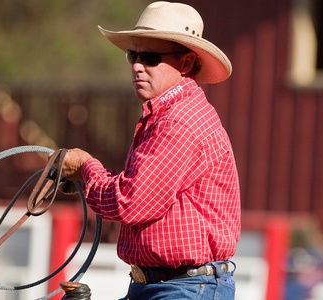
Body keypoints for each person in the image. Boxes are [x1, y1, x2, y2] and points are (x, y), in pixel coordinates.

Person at [57, 2, 241, 299]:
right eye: (133, 55)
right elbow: (139, 190)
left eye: (151, 57)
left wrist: (85, 167)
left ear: (185, 63)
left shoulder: (178, 121)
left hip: (183, 289)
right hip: (169, 286)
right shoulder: (170, 115)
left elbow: (130, 201)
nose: (137, 66)